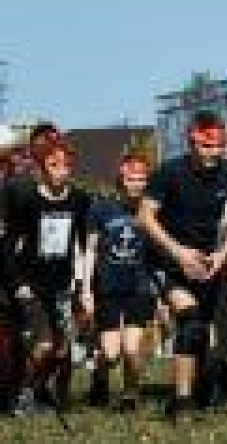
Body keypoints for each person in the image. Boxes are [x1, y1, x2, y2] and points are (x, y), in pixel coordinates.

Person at [136, 111, 227, 419]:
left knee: (203, 338)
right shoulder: (169, 172)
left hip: (206, 263)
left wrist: (223, 254)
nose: (213, 152)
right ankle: (181, 402)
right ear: (192, 141)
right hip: (167, 260)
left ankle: (198, 391)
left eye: (218, 146)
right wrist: (178, 252)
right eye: (206, 146)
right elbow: (144, 216)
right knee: (190, 321)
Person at [1, 139, 91, 415]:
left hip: (61, 285)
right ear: (41, 168)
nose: (61, 171)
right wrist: (18, 283)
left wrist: (83, 286)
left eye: (66, 165)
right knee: (43, 344)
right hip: (31, 286)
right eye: (54, 165)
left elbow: (84, 244)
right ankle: (22, 395)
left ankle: (40, 391)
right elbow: (8, 247)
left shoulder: (79, 200)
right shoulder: (27, 201)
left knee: (62, 350)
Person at [80, 154, 157, 412]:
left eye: (142, 179)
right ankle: (100, 377)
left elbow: (158, 251)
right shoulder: (100, 209)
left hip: (139, 286)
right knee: (112, 354)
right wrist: (86, 289)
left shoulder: (152, 210)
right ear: (121, 179)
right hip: (108, 288)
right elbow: (90, 250)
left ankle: (130, 396)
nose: (136, 184)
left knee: (131, 349)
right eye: (131, 179)